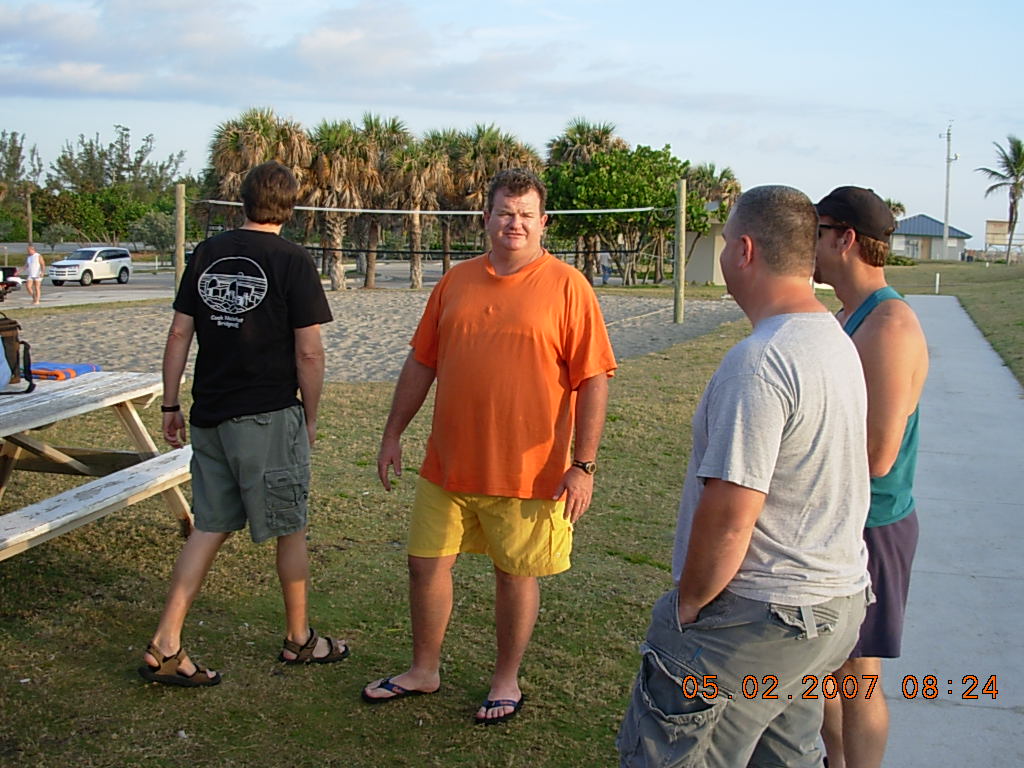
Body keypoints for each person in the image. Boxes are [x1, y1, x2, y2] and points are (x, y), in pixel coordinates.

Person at [617, 186, 873, 767]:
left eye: (728, 239)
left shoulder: (760, 361)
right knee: (787, 757)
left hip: (760, 618)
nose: (727, 249)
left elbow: (732, 517)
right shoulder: (834, 339)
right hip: (831, 609)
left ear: (746, 251)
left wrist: (688, 609)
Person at [362, 168, 617, 724]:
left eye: (527, 215)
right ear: (487, 219)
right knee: (424, 566)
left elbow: (594, 378)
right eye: (506, 213)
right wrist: (392, 433)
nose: (515, 224)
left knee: (514, 574)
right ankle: (423, 669)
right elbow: (422, 361)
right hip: (447, 466)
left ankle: (506, 679)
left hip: (529, 471)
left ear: (544, 222)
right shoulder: (455, 281)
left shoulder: (569, 286)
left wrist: (583, 465)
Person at [138, 161, 346, 687]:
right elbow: (310, 352)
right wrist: (311, 417)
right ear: (290, 207)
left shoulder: (207, 252)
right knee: (289, 524)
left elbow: (178, 334)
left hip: (209, 412)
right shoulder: (293, 259)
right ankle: (299, 640)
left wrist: (170, 404)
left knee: (210, 524)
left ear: (244, 199)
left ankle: (166, 642)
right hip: (266, 416)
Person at [814, 186, 928, 768]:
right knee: (829, 665)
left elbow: (878, 455)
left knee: (859, 672)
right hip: (843, 519)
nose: (807, 243)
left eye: (817, 229)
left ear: (845, 238)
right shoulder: (846, 316)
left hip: (874, 524)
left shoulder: (888, 327)